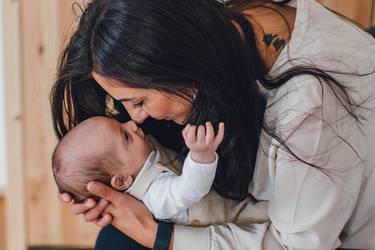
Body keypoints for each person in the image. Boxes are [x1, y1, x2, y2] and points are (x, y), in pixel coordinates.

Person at [50, 0, 375, 249]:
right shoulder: (207, 27)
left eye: (139, 101)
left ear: (177, 66)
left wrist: (156, 234)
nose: (135, 119)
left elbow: (296, 245)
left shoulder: (310, 109)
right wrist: (117, 188)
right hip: (249, 205)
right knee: (116, 236)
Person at [52, 116, 249, 226]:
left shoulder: (140, 156)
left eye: (121, 123)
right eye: (126, 136)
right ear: (122, 181)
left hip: (232, 197)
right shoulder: (154, 197)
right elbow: (189, 189)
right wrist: (200, 155)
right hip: (234, 220)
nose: (131, 125)